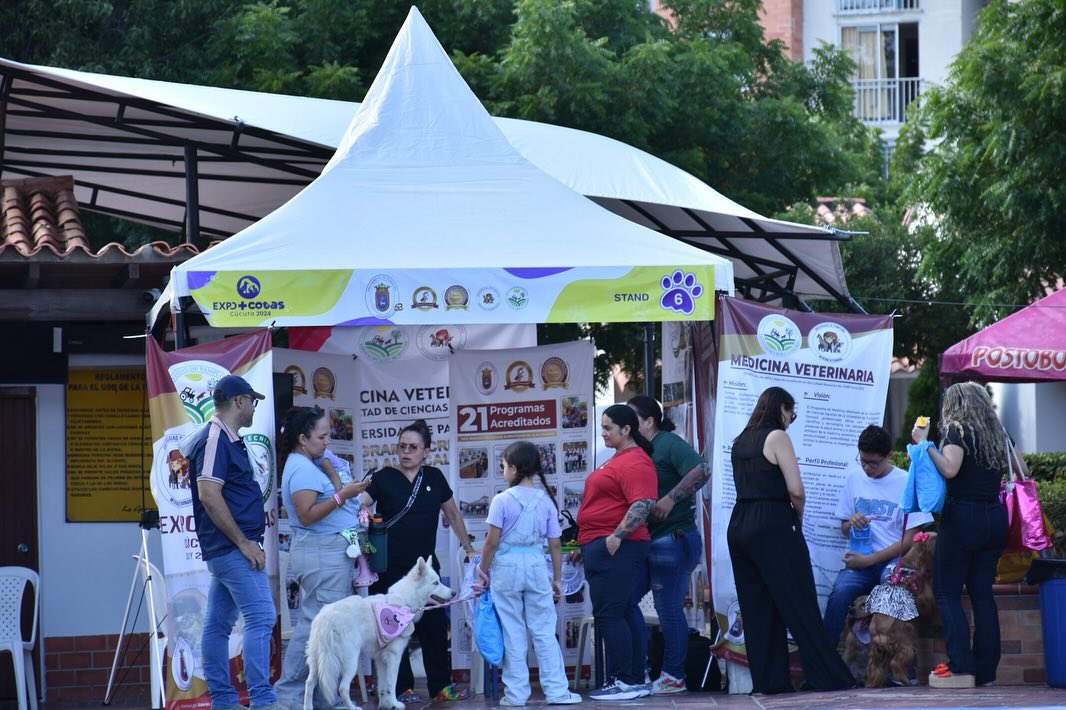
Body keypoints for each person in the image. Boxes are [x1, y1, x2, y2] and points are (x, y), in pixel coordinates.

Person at [727, 386, 854, 694]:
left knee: (757, 608)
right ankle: (826, 676)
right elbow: (796, 489)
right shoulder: (777, 437)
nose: (790, 421)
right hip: (772, 521)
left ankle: (769, 681)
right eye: (790, 414)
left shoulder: (740, 440)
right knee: (799, 601)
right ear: (781, 408)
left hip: (740, 522)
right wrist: (796, 516)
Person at [913, 382, 1021, 689]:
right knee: (982, 593)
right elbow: (1021, 468)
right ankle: (985, 670)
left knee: (946, 592)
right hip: (995, 517)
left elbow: (949, 469)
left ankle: (961, 668)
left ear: (955, 404)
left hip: (963, 517)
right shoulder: (998, 433)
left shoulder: (956, 430)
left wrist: (925, 443)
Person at [358, 420, 474, 703]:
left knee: (433, 627)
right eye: (402, 446)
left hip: (425, 571)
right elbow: (360, 503)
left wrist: (468, 547)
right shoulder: (383, 477)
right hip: (388, 568)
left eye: (413, 447)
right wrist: (364, 523)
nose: (406, 452)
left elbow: (454, 515)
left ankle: (440, 686)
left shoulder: (434, 477)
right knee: (391, 629)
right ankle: (401, 688)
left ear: (426, 451)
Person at [182, 375, 278, 710]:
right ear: (240, 401)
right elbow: (208, 494)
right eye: (254, 400)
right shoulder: (214, 439)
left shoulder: (223, 438)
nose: (255, 406)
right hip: (233, 548)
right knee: (262, 616)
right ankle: (262, 701)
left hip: (227, 549)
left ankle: (224, 701)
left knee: (218, 624)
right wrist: (243, 542)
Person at [274, 406, 369, 709]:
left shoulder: (311, 463)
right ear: (303, 438)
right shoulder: (301, 468)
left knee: (324, 625)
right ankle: (289, 695)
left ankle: (322, 696)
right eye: (322, 436)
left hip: (330, 551)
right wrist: (342, 495)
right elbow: (306, 513)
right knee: (315, 624)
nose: (328, 441)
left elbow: (334, 496)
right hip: (321, 552)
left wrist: (337, 480)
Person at [477, 441, 583, 707]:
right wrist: (557, 578)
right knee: (544, 631)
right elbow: (555, 544)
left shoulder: (501, 501)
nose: (502, 471)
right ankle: (557, 692)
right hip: (536, 565)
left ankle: (516, 695)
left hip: (506, 569)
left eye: (503, 467)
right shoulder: (546, 501)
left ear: (513, 468)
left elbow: (491, 542)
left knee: (513, 631)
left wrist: (482, 570)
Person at [822, 425, 933, 651]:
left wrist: (869, 561)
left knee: (893, 589)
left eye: (873, 462)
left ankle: (898, 665)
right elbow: (843, 526)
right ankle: (823, 663)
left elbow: (912, 538)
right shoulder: (854, 479)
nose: (867, 467)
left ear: (888, 456)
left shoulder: (905, 482)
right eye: (862, 460)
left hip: (893, 560)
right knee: (839, 595)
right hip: (860, 561)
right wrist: (851, 523)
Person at [574, 404, 658, 701]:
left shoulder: (635, 461)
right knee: (620, 610)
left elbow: (644, 503)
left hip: (618, 546)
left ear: (627, 429)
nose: (604, 432)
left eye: (609, 427)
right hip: (603, 544)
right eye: (603, 427)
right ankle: (633, 678)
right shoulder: (619, 459)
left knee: (610, 613)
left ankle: (625, 680)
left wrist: (616, 536)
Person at [626, 396, 708, 694]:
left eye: (631, 417)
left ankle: (674, 675)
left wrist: (671, 498)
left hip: (673, 539)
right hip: (650, 542)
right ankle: (641, 670)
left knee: (668, 609)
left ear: (649, 421)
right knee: (624, 600)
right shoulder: (639, 450)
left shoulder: (668, 443)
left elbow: (701, 469)